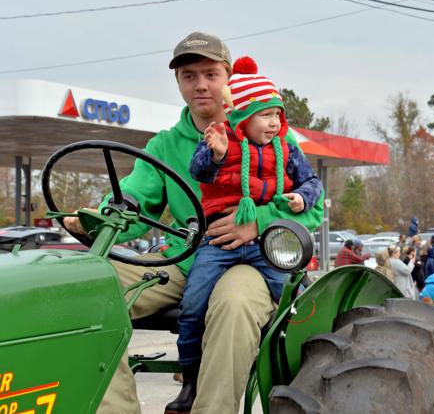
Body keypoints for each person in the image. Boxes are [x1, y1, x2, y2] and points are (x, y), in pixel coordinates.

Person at [63, 32, 324, 414]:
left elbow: (311, 205)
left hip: (250, 258)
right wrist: (99, 218)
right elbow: (134, 198)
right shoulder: (166, 145)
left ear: (229, 79)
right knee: (84, 292)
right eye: (189, 76)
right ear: (179, 83)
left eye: (210, 74)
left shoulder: (273, 136)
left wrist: (258, 223)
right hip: (186, 260)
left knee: (234, 306)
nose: (200, 85)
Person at [177, 56, 323, 397]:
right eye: (265, 115)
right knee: (193, 302)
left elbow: (313, 184)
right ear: (242, 117)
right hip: (219, 244)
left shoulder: (286, 148)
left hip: (265, 246)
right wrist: (214, 154)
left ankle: (296, 360)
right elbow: (199, 173)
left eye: (277, 115)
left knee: (291, 299)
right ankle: (189, 374)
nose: (274, 123)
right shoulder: (221, 141)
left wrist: (301, 197)